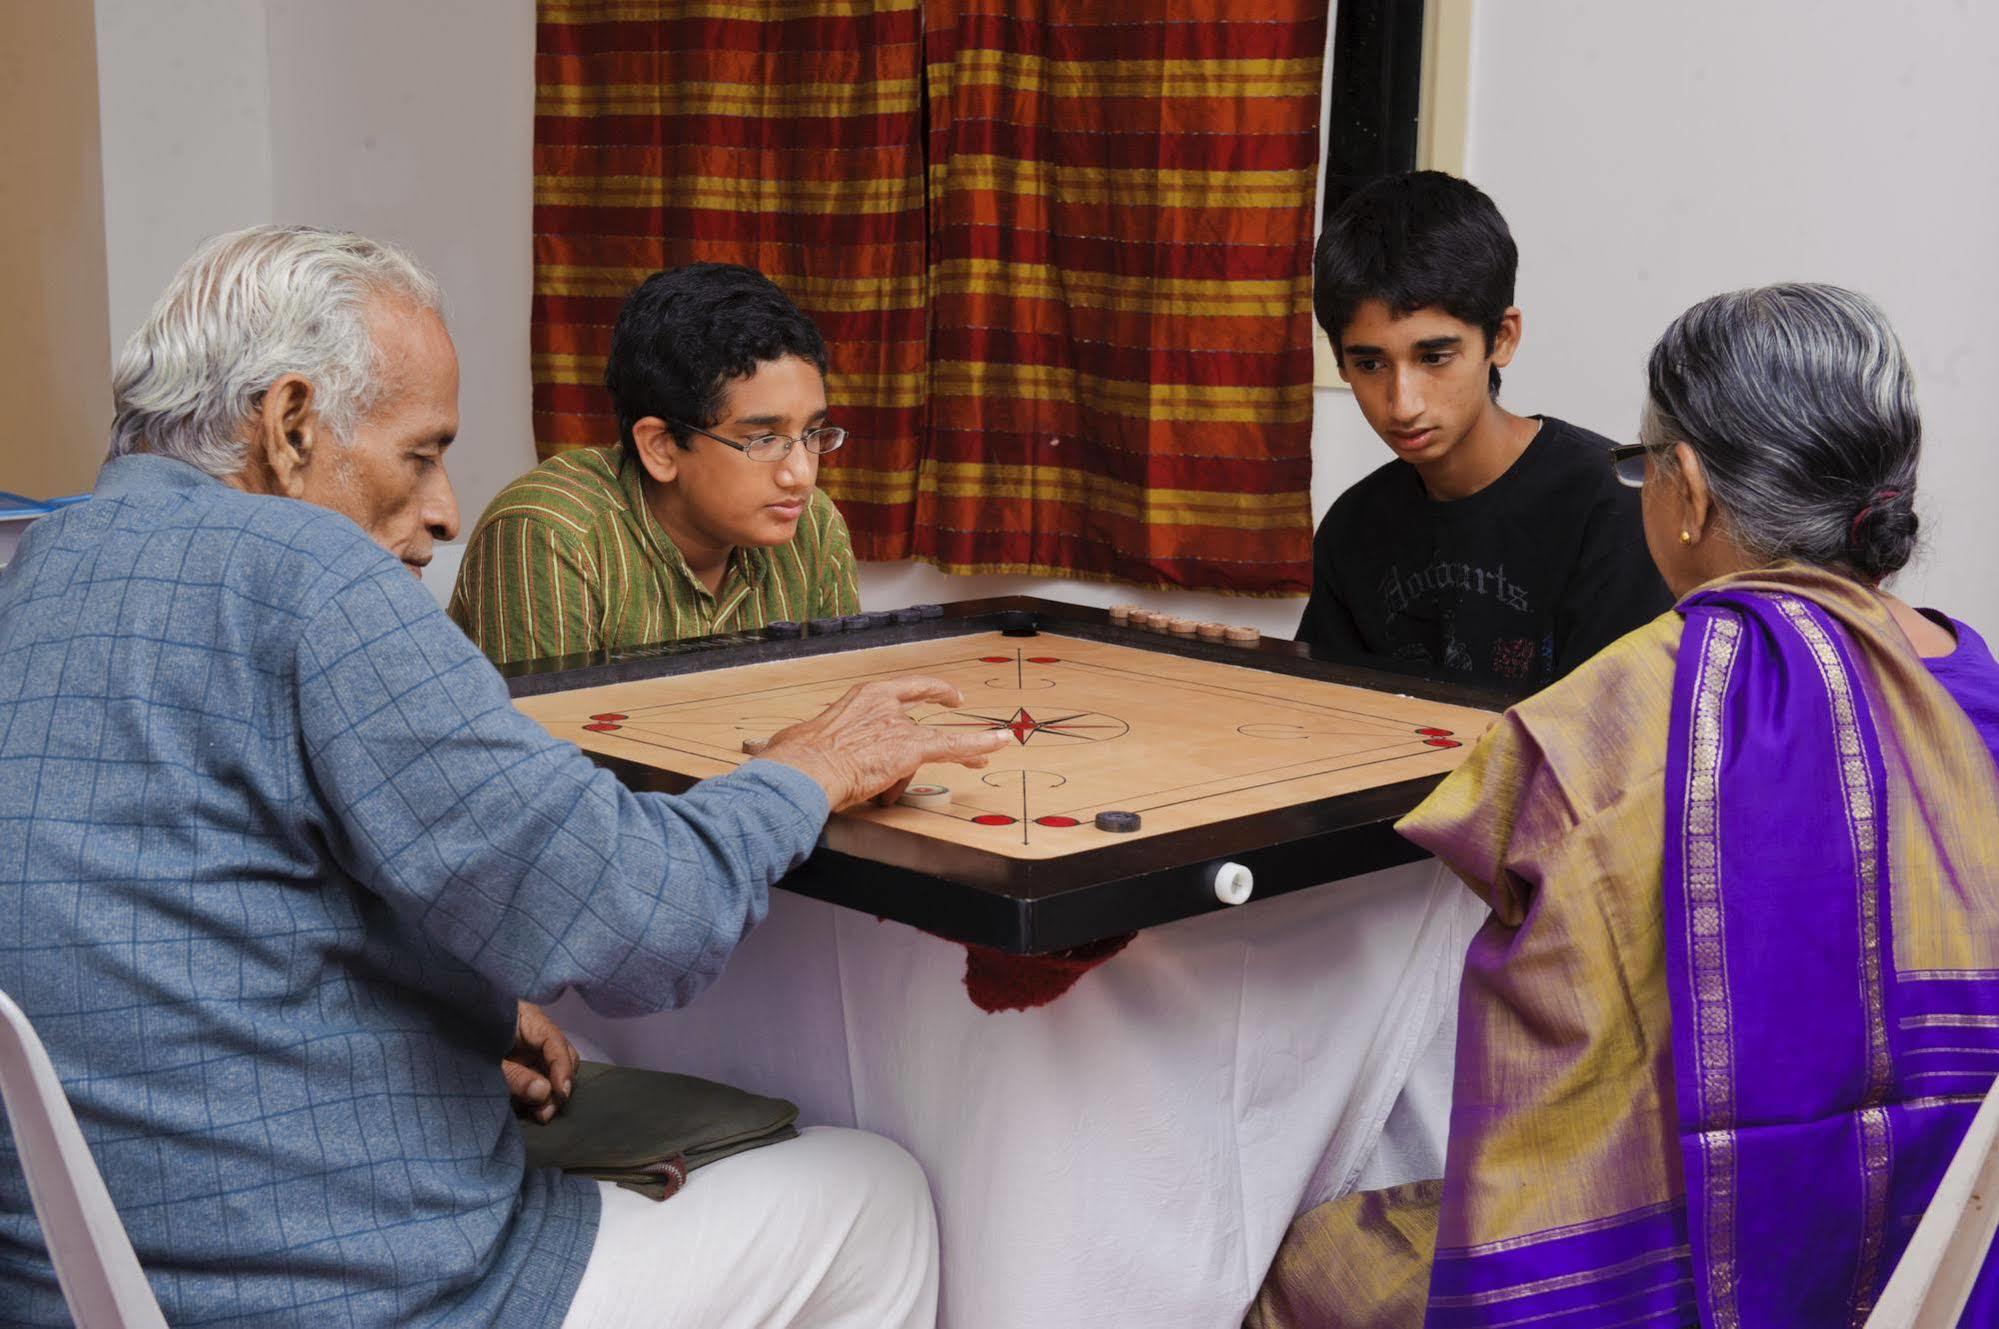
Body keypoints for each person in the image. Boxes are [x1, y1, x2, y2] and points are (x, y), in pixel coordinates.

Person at [0, 225, 1010, 1327]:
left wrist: (461, 1014)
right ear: (291, 428)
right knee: (875, 1198)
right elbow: (635, 918)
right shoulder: (309, 575)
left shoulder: (35, 563)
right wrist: (808, 770)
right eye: (421, 453)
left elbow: (200, 914)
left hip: (93, 1292)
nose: (444, 511)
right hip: (369, 1294)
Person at [1250, 283, 1999, 1327]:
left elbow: (1543, 1087)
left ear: (1684, 488)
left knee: (1302, 1260)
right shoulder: (1979, 698)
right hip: (1938, 1279)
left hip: (1657, 1288)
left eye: (1645, 464)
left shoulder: (1608, 725)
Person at [1297, 171, 1670, 691]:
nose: (1403, 404)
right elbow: (1325, 715)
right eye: (1371, 365)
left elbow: (1612, 744)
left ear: (1502, 337)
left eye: (1435, 357)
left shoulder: (1616, 506)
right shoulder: (1355, 527)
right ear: (1340, 362)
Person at [450, 263, 859, 666]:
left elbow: (844, 713)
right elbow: (549, 732)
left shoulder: (814, 527)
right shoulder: (550, 536)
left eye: (812, 434)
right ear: (661, 447)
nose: (801, 476)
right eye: (765, 440)